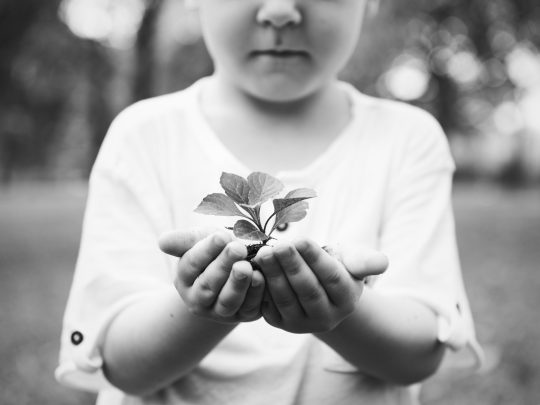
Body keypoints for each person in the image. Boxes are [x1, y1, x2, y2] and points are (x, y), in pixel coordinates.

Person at [56, 0, 483, 404]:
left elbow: (420, 352)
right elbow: (120, 362)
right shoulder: (141, 138)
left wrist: (344, 309)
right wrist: (198, 308)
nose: (280, 11)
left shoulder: (407, 140)